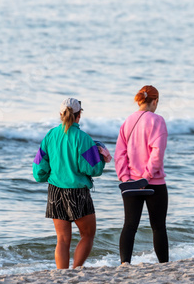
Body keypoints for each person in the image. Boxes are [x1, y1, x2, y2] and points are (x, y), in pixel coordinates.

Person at [33, 98, 106, 269]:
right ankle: (75, 270)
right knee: (87, 235)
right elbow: (93, 169)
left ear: (61, 114)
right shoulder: (84, 138)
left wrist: (46, 176)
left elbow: (39, 168)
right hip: (77, 192)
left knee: (62, 239)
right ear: (79, 115)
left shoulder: (50, 135)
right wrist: (101, 158)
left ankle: (62, 274)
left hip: (55, 190)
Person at [115, 85, 169, 264]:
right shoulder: (157, 120)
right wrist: (146, 176)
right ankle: (163, 265)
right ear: (155, 101)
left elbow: (119, 154)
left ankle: (124, 264)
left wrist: (125, 178)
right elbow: (157, 152)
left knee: (129, 226)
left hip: (131, 182)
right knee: (158, 227)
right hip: (154, 182)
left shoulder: (127, 121)